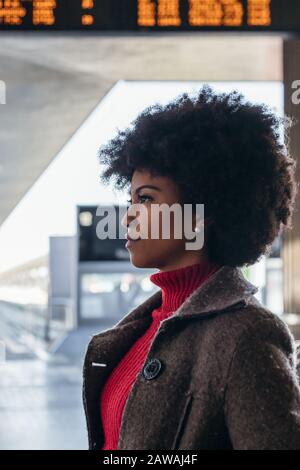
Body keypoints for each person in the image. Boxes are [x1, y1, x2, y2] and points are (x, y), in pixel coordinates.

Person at [82, 85, 300, 450]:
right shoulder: (143, 325)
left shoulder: (248, 335)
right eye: (130, 199)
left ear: (202, 214)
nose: (129, 214)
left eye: (147, 198)